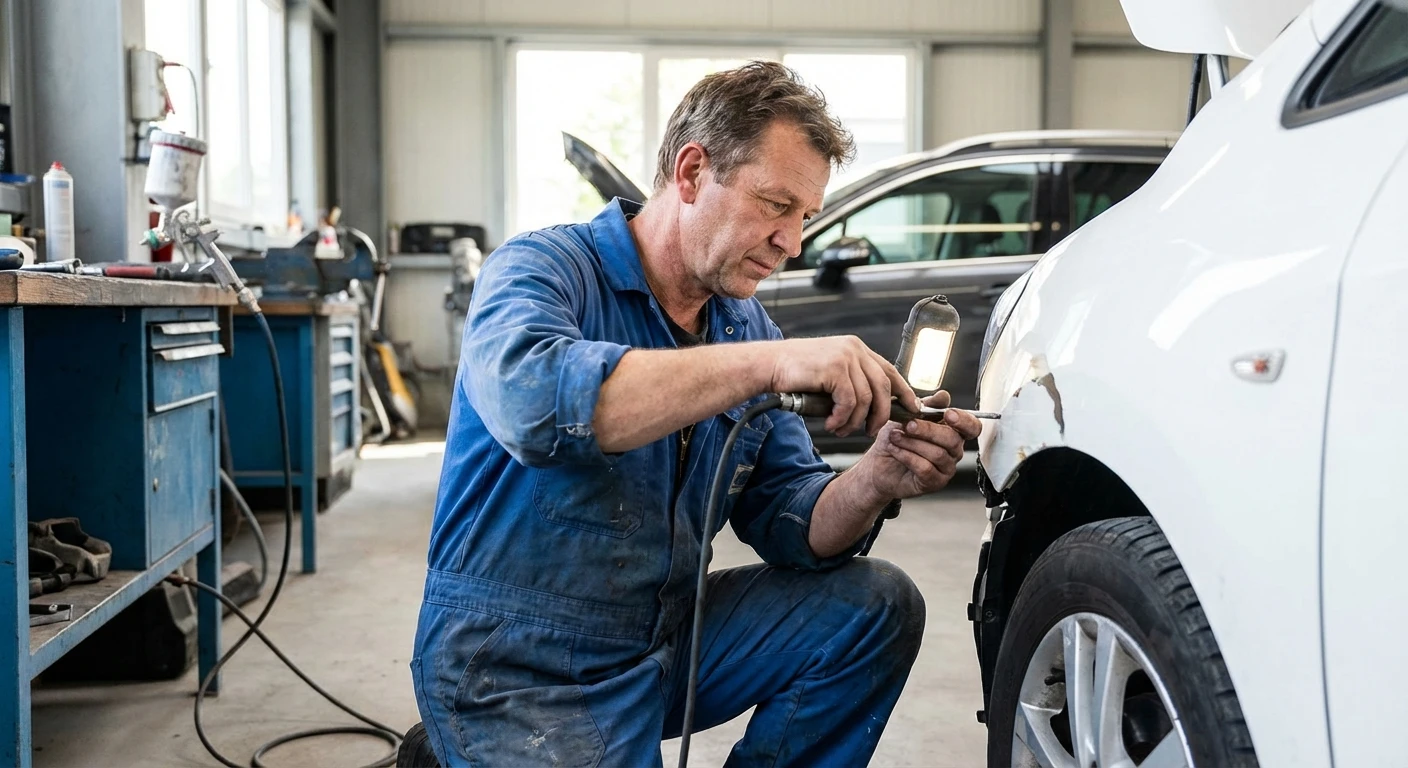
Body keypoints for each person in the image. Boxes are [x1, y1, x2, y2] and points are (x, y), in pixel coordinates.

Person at [411, 60, 983, 767]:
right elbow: (537, 406)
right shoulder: (542, 270)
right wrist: (772, 366)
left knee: (874, 607)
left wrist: (877, 476)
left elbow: (790, 521)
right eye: (776, 205)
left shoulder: (743, 325)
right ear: (690, 173)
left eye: (805, 216)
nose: (793, 243)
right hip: (516, 662)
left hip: (661, 637)